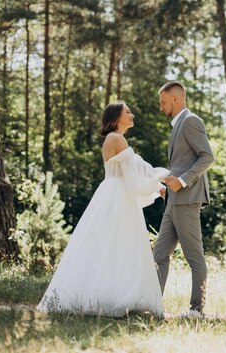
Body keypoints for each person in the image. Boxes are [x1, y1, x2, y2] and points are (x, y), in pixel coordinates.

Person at [37, 102, 168, 317]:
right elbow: (136, 169)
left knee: (108, 245)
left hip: (113, 193)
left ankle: (109, 294)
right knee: (118, 245)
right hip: (118, 195)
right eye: (128, 112)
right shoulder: (116, 138)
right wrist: (160, 177)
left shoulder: (113, 139)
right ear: (116, 117)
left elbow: (134, 169)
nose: (132, 114)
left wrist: (156, 184)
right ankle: (111, 298)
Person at [153, 81, 214, 318]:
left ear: (176, 100)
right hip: (173, 200)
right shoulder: (177, 125)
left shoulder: (191, 121)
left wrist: (182, 181)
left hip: (187, 199)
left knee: (194, 257)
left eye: (163, 102)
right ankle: (153, 304)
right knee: (159, 255)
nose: (161, 107)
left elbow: (207, 156)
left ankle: (196, 310)